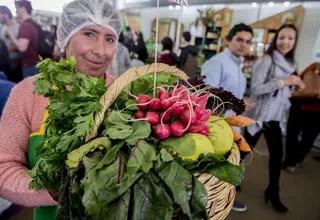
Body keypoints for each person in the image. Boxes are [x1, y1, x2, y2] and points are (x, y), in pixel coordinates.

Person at [0, 1, 122, 220]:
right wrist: (56, 190)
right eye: (89, 34)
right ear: (65, 36)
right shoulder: (28, 93)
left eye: (109, 39)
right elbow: (4, 169)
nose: (100, 51)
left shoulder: (126, 95)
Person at [243, 24, 305, 213]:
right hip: (260, 115)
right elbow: (256, 89)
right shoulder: (266, 60)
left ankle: (273, 191)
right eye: (282, 37)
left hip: (275, 117)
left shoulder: (291, 64)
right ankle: (228, 179)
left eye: (290, 38)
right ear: (275, 39)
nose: (285, 42)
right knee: (244, 149)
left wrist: (295, 85)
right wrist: (284, 82)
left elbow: (284, 92)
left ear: (295, 42)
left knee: (277, 156)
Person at [201, 23, 254, 213]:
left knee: (230, 166)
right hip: (218, 127)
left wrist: (241, 102)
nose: (243, 45)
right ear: (228, 40)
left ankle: (225, 200)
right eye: (239, 39)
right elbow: (206, 98)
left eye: (247, 41)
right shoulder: (218, 62)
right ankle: (215, 206)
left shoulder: (237, 63)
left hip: (232, 126)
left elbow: (229, 93)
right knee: (218, 172)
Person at [283, 62, 320, 172]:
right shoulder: (315, 66)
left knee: (294, 135)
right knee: (308, 138)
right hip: (307, 108)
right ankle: (295, 160)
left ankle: (291, 161)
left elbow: (299, 79)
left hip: (301, 105)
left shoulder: (315, 66)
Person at [6, 0, 39, 79]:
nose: (16, 11)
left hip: (29, 66)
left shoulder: (25, 26)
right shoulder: (34, 24)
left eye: (17, 8)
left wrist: (10, 33)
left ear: (23, 8)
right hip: (35, 64)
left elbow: (22, 47)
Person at [0, 5, 22, 83]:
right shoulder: (2, 26)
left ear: (5, 14)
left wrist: (10, 49)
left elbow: (21, 45)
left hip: (13, 61)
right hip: (3, 61)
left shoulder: (18, 26)